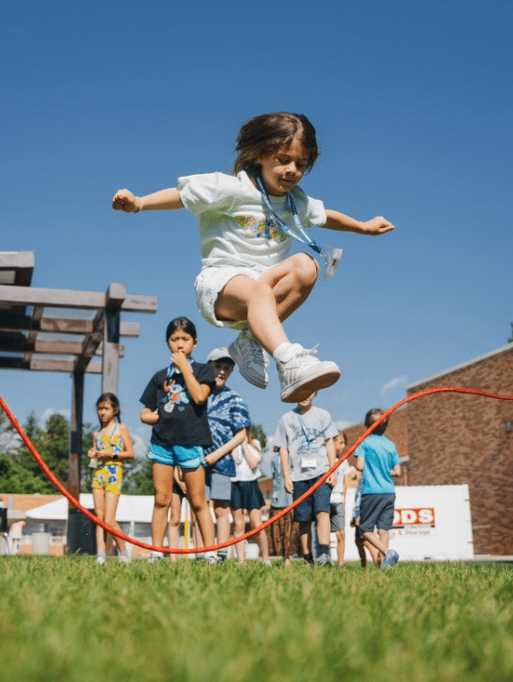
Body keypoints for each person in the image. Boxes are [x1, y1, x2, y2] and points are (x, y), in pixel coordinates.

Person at [113, 112, 395, 404]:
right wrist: (139, 203)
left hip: (262, 290)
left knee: (307, 266)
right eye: (283, 160)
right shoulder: (233, 188)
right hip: (220, 284)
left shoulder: (295, 202)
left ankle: (249, 339)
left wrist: (362, 227)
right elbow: (183, 195)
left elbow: (326, 217)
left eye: (300, 164)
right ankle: (290, 363)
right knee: (258, 287)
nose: (292, 170)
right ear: (261, 154)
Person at [140, 316, 219, 563]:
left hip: (190, 442)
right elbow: (145, 409)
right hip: (162, 442)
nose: (180, 344)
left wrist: (185, 367)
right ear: (167, 343)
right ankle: (156, 552)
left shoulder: (205, 370)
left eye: (185, 339)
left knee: (198, 501)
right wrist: (147, 417)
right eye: (175, 340)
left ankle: (210, 553)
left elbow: (198, 397)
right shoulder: (158, 377)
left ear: (195, 343)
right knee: (161, 498)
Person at [275, 391, 339, 565]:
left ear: (316, 392)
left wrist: (333, 470)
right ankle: (307, 557)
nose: (305, 394)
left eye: (310, 390)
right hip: (298, 476)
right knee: (303, 518)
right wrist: (286, 476)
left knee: (322, 511)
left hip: (321, 472)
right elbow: (283, 449)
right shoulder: (286, 419)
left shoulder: (323, 415)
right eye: (301, 390)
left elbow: (329, 442)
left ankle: (324, 554)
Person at [204, 347, 252, 563]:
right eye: (217, 367)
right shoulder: (199, 394)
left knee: (221, 508)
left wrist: (218, 454)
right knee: (200, 506)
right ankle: (203, 551)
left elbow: (241, 434)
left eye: (226, 368)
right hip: (196, 460)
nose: (221, 371)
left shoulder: (235, 399)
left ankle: (221, 553)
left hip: (222, 462)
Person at [88, 392, 135, 565]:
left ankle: (123, 552)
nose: (102, 412)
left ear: (115, 410)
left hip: (114, 474)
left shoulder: (121, 429)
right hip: (98, 475)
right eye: (99, 409)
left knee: (109, 519)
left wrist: (111, 454)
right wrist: (92, 454)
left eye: (106, 408)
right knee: (99, 519)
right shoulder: (97, 433)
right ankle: (100, 554)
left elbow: (131, 453)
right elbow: (95, 457)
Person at [356, 408, 402, 568]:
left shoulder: (364, 443)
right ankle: (385, 565)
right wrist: (384, 470)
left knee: (364, 529)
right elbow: (398, 471)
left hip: (372, 491)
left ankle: (388, 553)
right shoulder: (390, 445)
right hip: (389, 491)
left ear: (366, 425)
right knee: (384, 530)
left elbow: (359, 465)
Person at [231, 438, 271, 565]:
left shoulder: (255, 444)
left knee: (257, 525)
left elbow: (253, 463)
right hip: (235, 484)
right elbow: (234, 461)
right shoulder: (231, 444)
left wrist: (244, 444)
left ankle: (265, 559)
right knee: (239, 525)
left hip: (251, 484)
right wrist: (235, 444)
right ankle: (241, 560)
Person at [329, 432, 350, 568]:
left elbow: (345, 481)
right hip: (326, 500)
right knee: (323, 533)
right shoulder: (325, 459)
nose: (342, 446)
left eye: (344, 443)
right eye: (340, 442)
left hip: (338, 500)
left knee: (341, 533)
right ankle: (324, 560)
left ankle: (340, 563)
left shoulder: (344, 461)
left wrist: (344, 498)